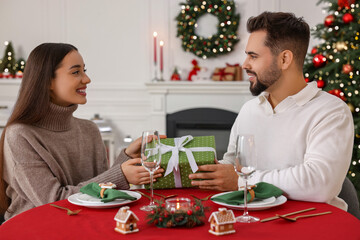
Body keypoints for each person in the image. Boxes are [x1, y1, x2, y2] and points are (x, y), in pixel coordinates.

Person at [189, 12, 354, 211]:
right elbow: (231, 166)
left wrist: (243, 181)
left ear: (285, 59)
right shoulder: (249, 110)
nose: (245, 65)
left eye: (253, 56)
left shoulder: (331, 112)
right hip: (253, 221)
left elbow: (320, 183)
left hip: (313, 224)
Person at [0, 43, 164, 220]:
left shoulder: (89, 129)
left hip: (84, 224)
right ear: (47, 81)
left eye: (84, 70)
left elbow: (97, 191)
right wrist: (122, 175)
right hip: (36, 228)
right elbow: (53, 201)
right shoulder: (19, 135)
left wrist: (127, 156)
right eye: (76, 72)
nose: (87, 79)